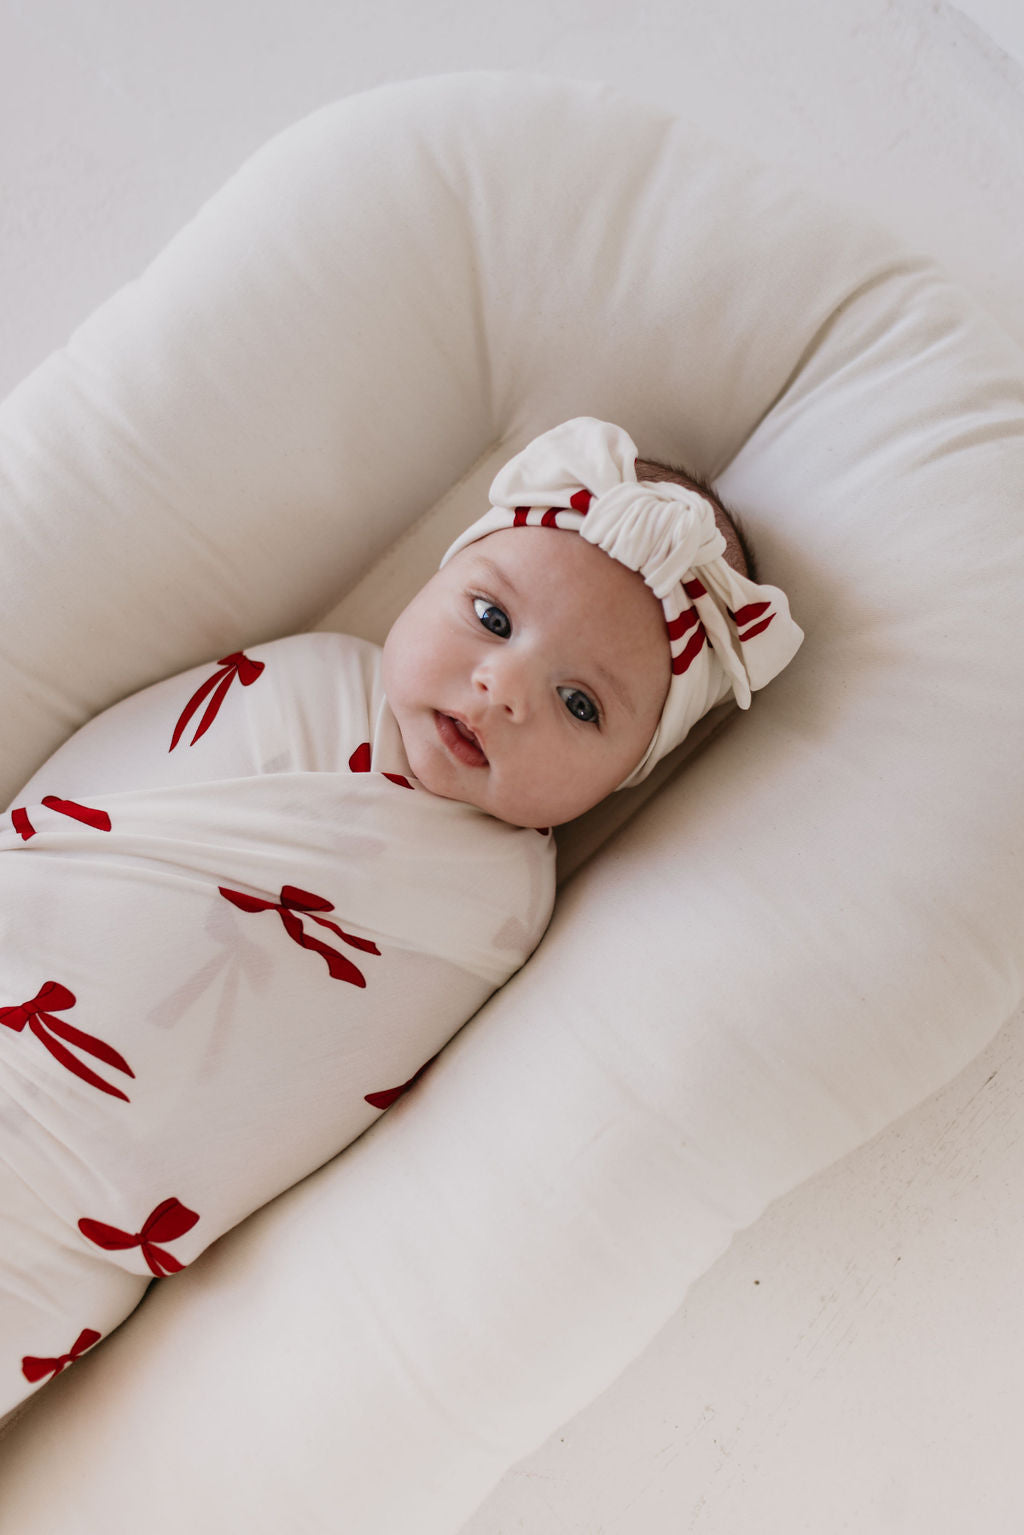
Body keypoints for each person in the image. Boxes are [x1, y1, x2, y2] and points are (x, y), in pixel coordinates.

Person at [0, 417, 801, 1421]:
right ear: (436, 579)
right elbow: (72, 824)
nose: (502, 687)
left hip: (83, 1227)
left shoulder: (506, 908)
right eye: (490, 617)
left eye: (581, 706)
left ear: (627, 774)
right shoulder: (302, 681)